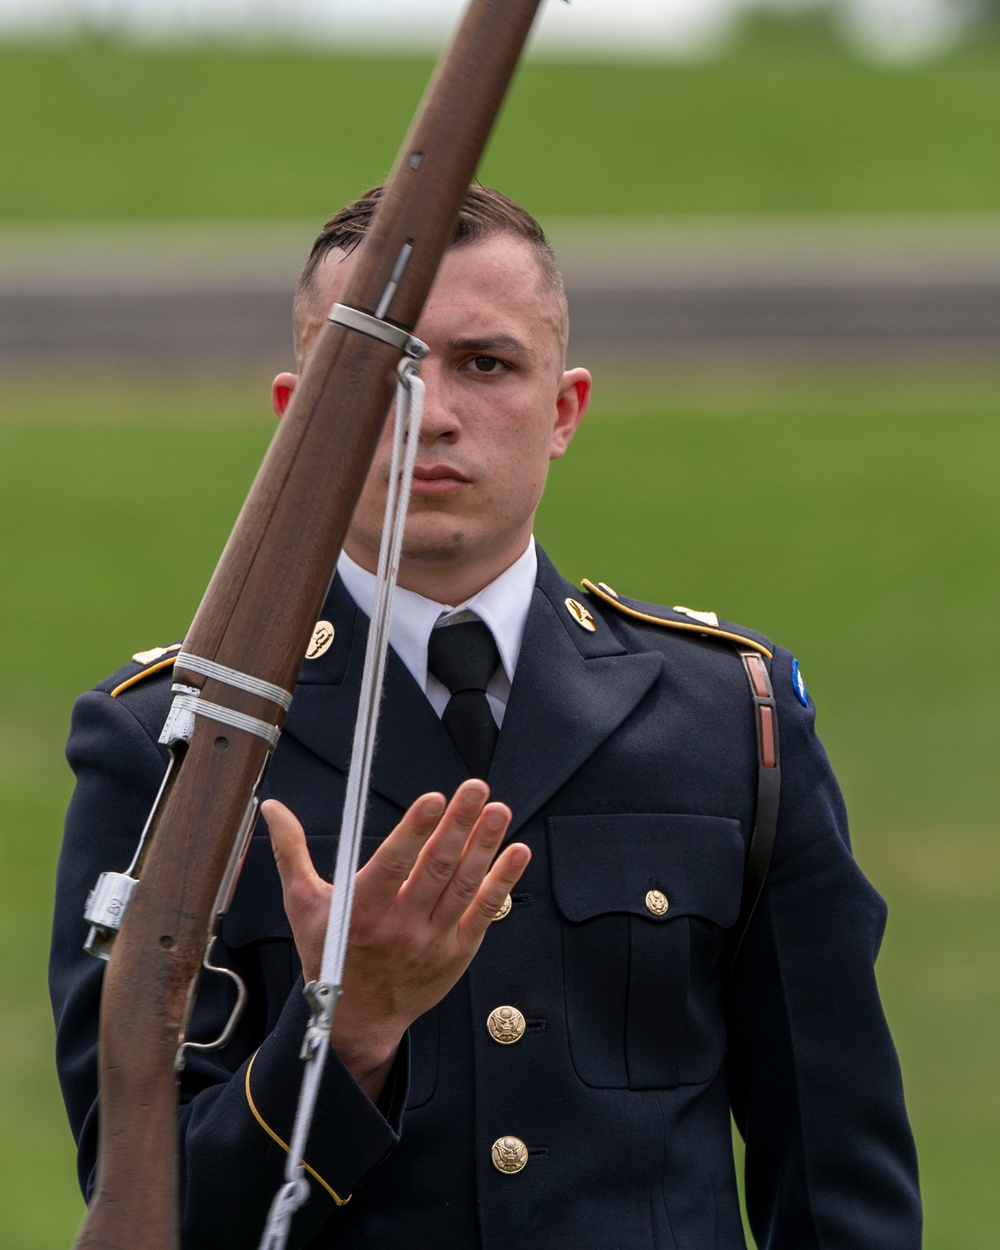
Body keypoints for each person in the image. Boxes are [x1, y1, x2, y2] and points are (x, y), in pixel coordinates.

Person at [50, 186, 921, 1249]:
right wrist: (350, 1026)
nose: (435, 412)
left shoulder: (731, 719)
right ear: (296, 423)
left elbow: (839, 1182)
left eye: (487, 363)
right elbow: (148, 1212)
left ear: (563, 409)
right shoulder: (170, 741)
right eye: (376, 372)